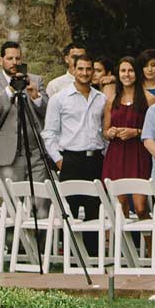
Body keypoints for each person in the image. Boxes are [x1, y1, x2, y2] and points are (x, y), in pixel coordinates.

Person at [42, 56, 108, 217]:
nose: (84, 73)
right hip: (71, 161)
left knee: (94, 213)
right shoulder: (59, 99)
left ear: (93, 71)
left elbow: (105, 130)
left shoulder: (101, 99)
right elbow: (49, 133)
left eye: (88, 69)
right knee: (70, 214)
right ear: (73, 70)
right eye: (80, 69)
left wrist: (105, 154)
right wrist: (59, 160)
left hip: (95, 161)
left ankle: (92, 236)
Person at [0, 41, 49, 182]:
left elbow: (48, 112)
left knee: (40, 195)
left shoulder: (35, 80)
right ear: (1, 60)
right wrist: (10, 89)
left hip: (36, 154)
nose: (14, 62)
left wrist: (36, 96)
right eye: (9, 58)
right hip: (7, 156)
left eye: (17, 58)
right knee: (13, 196)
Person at [103, 56, 152, 215]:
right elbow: (105, 130)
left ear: (137, 73)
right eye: (123, 71)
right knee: (120, 205)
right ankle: (122, 233)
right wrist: (110, 132)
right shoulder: (112, 99)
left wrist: (136, 132)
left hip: (139, 153)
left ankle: (148, 232)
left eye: (130, 70)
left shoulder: (149, 99)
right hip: (117, 153)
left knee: (140, 207)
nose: (127, 74)